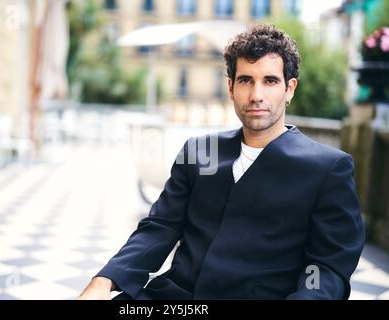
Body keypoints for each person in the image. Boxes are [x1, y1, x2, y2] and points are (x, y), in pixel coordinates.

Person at [79, 24, 365, 300]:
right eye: (246, 80)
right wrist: (105, 281)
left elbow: (325, 267)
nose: (257, 95)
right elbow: (160, 227)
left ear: (289, 89)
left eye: (270, 81)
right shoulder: (201, 150)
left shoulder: (326, 168)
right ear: (230, 87)